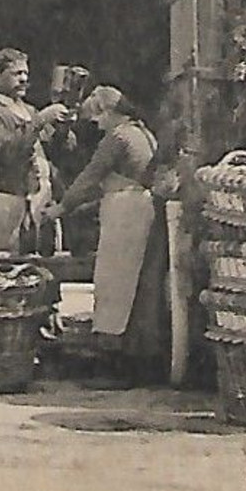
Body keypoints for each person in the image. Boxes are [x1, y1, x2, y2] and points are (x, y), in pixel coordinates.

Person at [37, 85, 164, 388]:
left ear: (108, 112)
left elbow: (91, 176)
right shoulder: (143, 134)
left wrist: (61, 208)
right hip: (138, 207)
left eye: (97, 119)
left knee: (112, 283)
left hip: (124, 213)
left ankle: (112, 365)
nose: (96, 125)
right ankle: (131, 360)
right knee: (132, 285)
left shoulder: (118, 137)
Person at [0, 47, 70, 254]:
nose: (24, 79)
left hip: (41, 198)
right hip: (8, 199)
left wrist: (63, 130)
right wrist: (41, 120)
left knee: (45, 260)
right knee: (8, 263)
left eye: (26, 73)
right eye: (16, 73)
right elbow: (7, 151)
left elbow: (57, 150)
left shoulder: (30, 110)